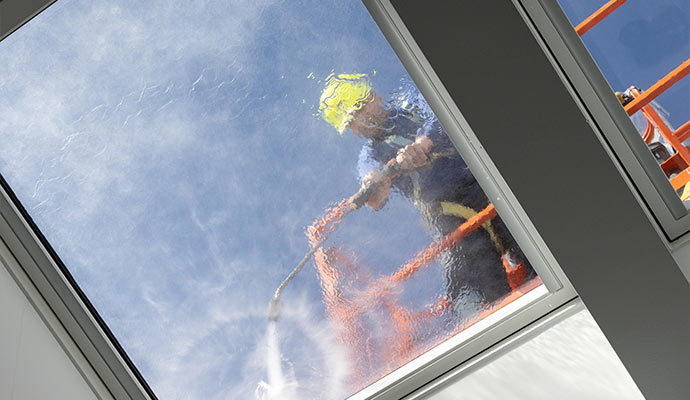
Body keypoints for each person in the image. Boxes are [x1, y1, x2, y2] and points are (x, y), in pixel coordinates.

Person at [319, 73, 534, 319]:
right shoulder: (370, 156)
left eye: (360, 109)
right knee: (467, 284)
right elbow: (374, 193)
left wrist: (423, 143)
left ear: (374, 96)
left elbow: (442, 112)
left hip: (486, 185)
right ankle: (480, 322)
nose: (360, 122)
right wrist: (373, 188)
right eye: (351, 122)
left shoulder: (410, 101)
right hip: (449, 216)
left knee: (535, 242)